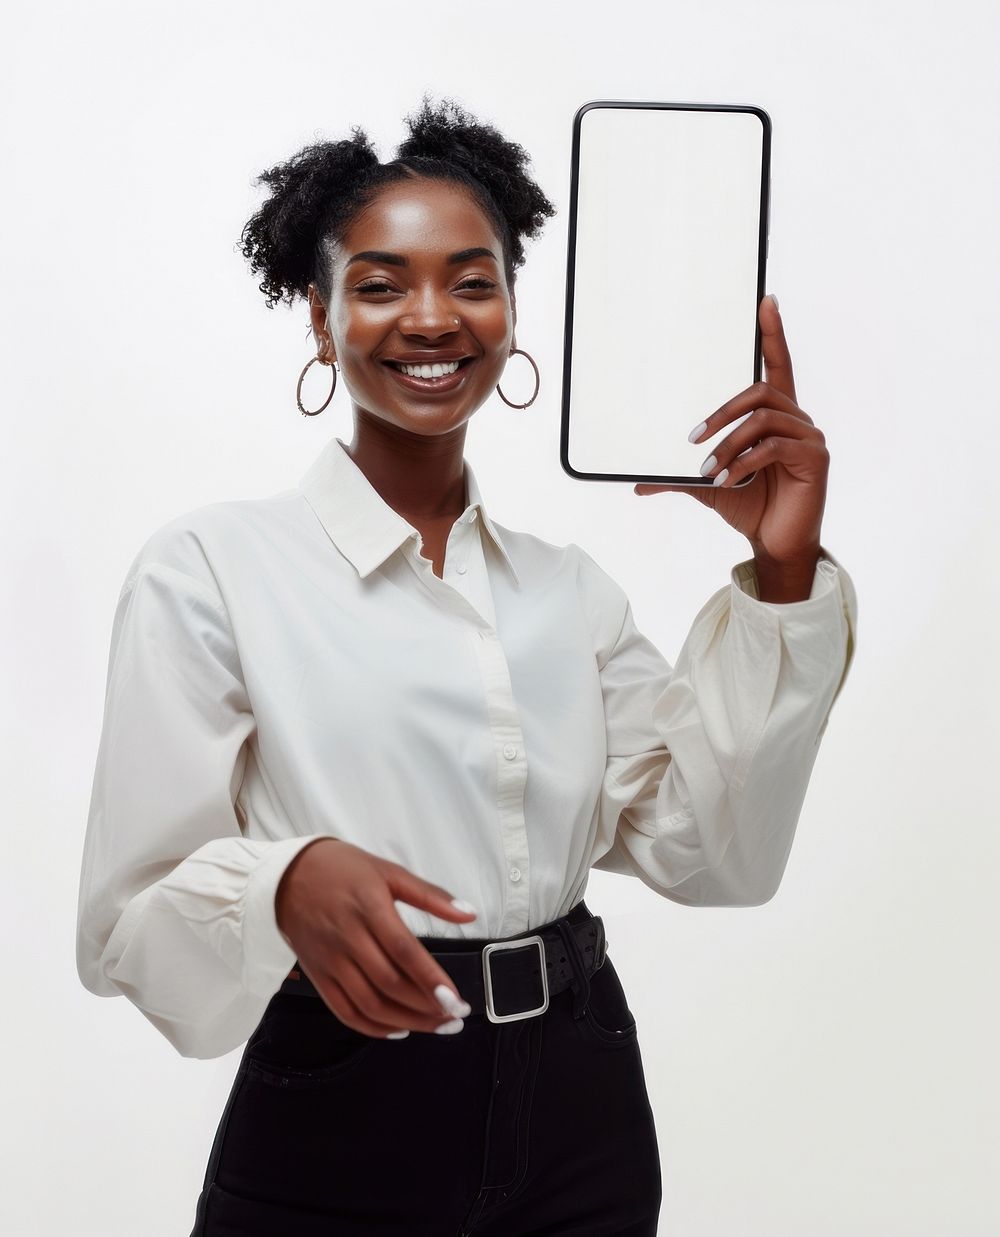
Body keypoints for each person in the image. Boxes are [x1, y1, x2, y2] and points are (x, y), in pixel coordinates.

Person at [75, 94, 858, 1236]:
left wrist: (782, 574)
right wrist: (281, 884)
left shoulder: (567, 591)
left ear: (511, 310)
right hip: (344, 1097)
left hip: (581, 1097)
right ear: (319, 316)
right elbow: (125, 927)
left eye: (473, 280)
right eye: (381, 283)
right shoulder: (209, 569)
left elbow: (713, 853)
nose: (431, 317)